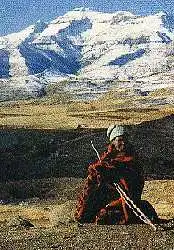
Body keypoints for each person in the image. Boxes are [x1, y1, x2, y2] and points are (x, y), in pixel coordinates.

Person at [75, 124, 158, 225]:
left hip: (126, 195)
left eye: (124, 140)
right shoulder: (108, 155)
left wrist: (114, 171)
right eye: (119, 140)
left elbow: (133, 179)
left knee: (112, 214)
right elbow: (99, 174)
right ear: (113, 142)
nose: (123, 143)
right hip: (110, 193)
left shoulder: (131, 156)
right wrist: (100, 171)